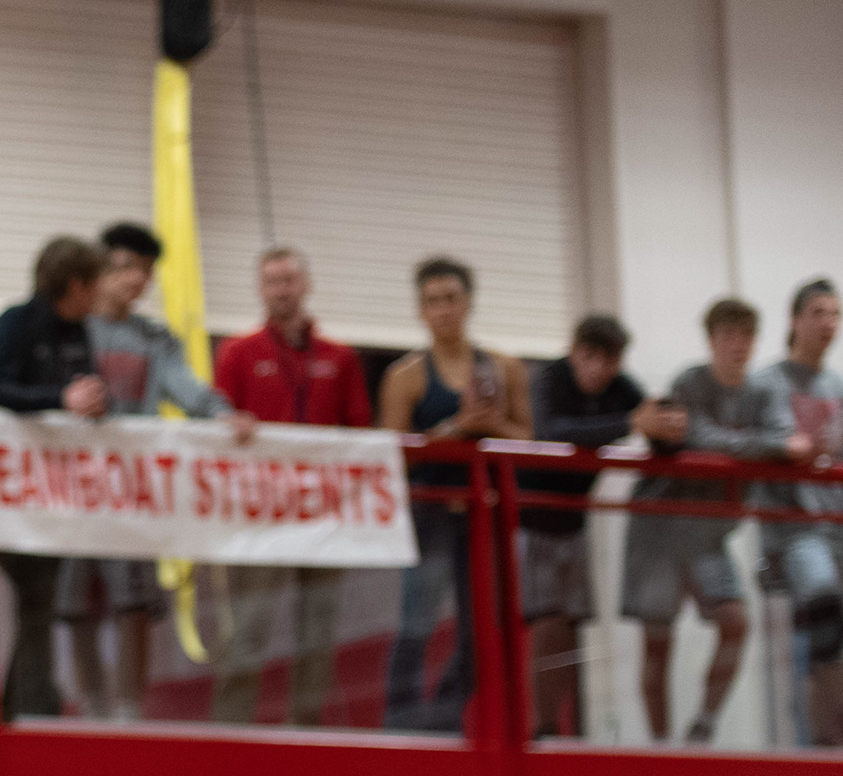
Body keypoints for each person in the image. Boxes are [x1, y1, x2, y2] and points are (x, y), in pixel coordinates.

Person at [67, 223, 230, 720]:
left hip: (131, 488)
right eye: (124, 267)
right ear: (99, 271)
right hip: (69, 487)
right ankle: (91, 703)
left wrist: (222, 414)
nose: (134, 279)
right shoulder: (69, 329)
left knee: (132, 597)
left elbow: (188, 390)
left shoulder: (154, 339)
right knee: (74, 596)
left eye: (145, 270)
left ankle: (128, 708)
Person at [211, 247, 373, 727]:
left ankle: (306, 731)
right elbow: (216, 424)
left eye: (290, 279)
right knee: (250, 627)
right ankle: (229, 734)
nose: (282, 290)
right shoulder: (238, 353)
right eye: (272, 281)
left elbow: (360, 431)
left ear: (307, 285)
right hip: (259, 510)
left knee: (317, 628)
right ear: (260, 290)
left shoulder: (340, 357)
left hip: (323, 512)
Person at [375, 257, 528, 734]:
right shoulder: (406, 376)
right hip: (430, 512)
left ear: (469, 303)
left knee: (482, 632)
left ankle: (441, 724)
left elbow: (530, 442)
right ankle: (400, 731)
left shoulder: (504, 368)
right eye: (433, 301)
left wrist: (492, 424)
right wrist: (457, 427)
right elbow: (394, 456)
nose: (443, 309)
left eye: (451, 299)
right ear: (420, 311)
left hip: (486, 511)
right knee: (416, 624)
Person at [626, 298, 785, 746]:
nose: (738, 344)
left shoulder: (764, 392)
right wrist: (760, 447)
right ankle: (660, 746)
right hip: (659, 531)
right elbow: (698, 438)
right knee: (658, 641)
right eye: (728, 335)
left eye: (746, 335)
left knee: (735, 622)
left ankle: (703, 726)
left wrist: (757, 446)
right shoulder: (689, 382)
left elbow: (784, 439)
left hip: (708, 536)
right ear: (711, 340)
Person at [0, 237, 110, 720]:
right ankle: (30, 705)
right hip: (11, 487)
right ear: (75, 284)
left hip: (56, 490)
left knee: (39, 600)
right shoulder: (16, 322)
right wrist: (58, 400)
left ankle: (16, 706)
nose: (99, 294)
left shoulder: (79, 332)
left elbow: (80, 391)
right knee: (36, 597)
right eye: (95, 283)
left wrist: (95, 403)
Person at [520, 315, 644, 740]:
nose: (597, 369)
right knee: (548, 622)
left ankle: (568, 729)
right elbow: (552, 432)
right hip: (534, 516)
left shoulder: (621, 388)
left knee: (573, 626)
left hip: (576, 519)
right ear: (574, 352)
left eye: (608, 360)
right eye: (589, 356)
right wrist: (632, 424)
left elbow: (652, 416)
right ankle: (543, 728)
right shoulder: (549, 379)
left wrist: (662, 420)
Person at [759, 279, 843, 749]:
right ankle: (830, 726)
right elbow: (754, 442)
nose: (829, 323)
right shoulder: (767, 384)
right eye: (819, 312)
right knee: (823, 610)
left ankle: (829, 734)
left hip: (840, 529)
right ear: (795, 319)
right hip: (792, 529)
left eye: (836, 314)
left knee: (833, 633)